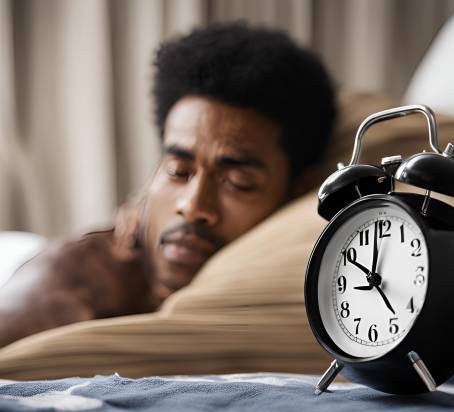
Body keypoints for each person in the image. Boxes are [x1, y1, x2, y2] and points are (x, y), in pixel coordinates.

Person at [0, 22, 336, 348]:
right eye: (177, 170)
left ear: (297, 191)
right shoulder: (64, 285)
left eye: (238, 181)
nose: (191, 206)